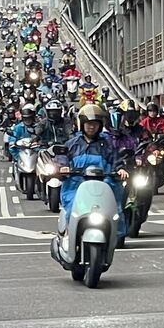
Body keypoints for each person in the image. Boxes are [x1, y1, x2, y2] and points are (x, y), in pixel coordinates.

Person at [57, 104, 129, 245]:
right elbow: (61, 158)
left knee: (115, 205)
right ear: (82, 124)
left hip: (105, 183)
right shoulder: (72, 144)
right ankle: (69, 234)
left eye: (95, 124)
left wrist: (121, 169)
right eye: (89, 124)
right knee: (71, 207)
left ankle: (117, 234)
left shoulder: (107, 144)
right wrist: (63, 167)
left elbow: (116, 160)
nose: (92, 127)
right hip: (76, 184)